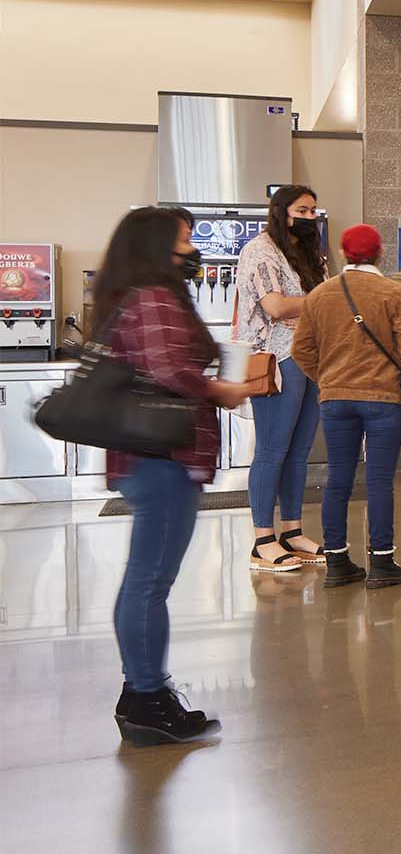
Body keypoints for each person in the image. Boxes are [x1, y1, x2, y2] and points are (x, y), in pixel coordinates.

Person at [101, 206, 266, 746]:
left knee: (148, 580)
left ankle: (148, 692)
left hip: (150, 457)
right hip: (162, 456)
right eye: (183, 243)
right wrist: (225, 389)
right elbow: (171, 370)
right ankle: (147, 698)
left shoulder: (137, 294)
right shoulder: (154, 297)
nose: (191, 251)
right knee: (151, 582)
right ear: (156, 249)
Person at [292, 224, 401, 590]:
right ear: (379, 254)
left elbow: (301, 351)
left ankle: (337, 562)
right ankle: (382, 563)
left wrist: (327, 379)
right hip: (384, 399)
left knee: (338, 479)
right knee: (379, 482)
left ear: (342, 254)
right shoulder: (393, 293)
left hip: (335, 399)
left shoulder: (319, 295)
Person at [235, 184, 329, 572]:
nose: (309, 218)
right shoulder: (260, 251)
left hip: (310, 357)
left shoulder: (311, 256)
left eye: (313, 211)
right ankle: (262, 540)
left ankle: (291, 531)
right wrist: (323, 300)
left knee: (299, 451)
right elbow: (274, 305)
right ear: (280, 211)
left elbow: (315, 301)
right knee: (272, 451)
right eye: (302, 211)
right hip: (276, 358)